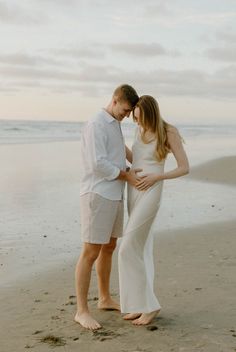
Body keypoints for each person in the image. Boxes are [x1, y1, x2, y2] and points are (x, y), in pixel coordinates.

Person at [118, 95, 189, 325]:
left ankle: (150, 305)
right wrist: (117, 144)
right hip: (134, 191)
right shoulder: (139, 131)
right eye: (135, 119)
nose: (137, 123)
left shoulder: (169, 132)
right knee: (141, 248)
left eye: (140, 118)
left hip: (152, 191)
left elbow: (184, 167)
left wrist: (159, 175)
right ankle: (138, 305)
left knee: (126, 248)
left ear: (149, 113)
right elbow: (137, 158)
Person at [75, 84, 140, 330]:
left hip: (115, 194)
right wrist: (127, 176)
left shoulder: (115, 124)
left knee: (109, 247)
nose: (125, 116)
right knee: (90, 251)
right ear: (114, 100)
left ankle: (104, 298)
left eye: (128, 113)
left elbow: (118, 150)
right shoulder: (96, 124)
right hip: (97, 194)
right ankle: (81, 311)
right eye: (124, 111)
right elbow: (97, 164)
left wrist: (140, 162)